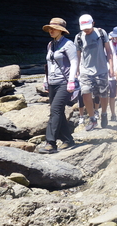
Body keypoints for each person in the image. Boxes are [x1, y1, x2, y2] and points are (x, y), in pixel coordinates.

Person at [40, 18, 77, 154]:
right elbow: (49, 64)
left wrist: (72, 81)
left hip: (64, 83)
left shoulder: (69, 45)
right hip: (53, 83)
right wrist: (46, 80)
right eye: (50, 28)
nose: (51, 30)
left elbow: (74, 63)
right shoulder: (50, 45)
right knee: (59, 112)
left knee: (55, 110)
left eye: (54, 28)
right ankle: (68, 140)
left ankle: (51, 143)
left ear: (61, 31)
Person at [75, 14, 114, 131]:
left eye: (88, 27)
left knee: (103, 93)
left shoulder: (101, 33)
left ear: (93, 23)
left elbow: (108, 51)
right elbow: (77, 56)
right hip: (86, 70)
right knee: (85, 92)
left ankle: (104, 113)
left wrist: (111, 67)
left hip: (101, 69)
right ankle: (92, 119)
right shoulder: (78, 37)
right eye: (84, 28)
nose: (86, 30)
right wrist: (76, 70)